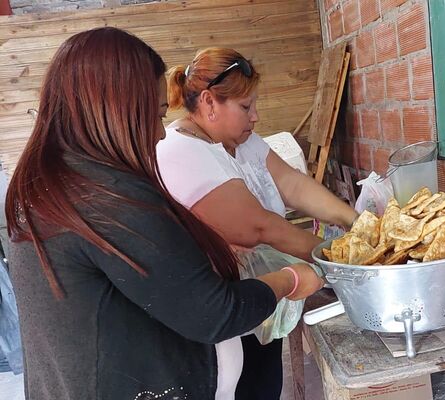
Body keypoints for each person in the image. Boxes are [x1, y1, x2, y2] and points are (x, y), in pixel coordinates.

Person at [5, 27, 323, 400]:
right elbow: (214, 313)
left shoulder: (50, 184)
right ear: (115, 109)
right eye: (154, 115)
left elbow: (131, 278)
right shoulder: (106, 196)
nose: (158, 135)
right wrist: (291, 279)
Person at [157, 48, 358, 399]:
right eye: (246, 107)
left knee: (264, 385)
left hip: (260, 302)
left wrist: (354, 219)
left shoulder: (241, 143)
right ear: (209, 103)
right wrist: (341, 256)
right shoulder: (180, 152)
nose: (256, 117)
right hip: (217, 315)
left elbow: (292, 184)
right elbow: (259, 227)